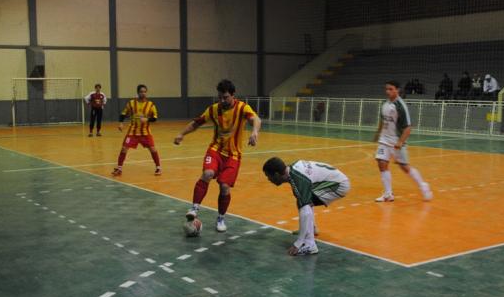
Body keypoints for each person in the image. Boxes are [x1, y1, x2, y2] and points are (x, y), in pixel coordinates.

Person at [175, 79, 261, 232]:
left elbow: (256, 119)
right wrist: (182, 134)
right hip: (215, 150)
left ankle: (221, 218)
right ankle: (194, 208)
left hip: (233, 155)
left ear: (233, 95)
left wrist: (254, 132)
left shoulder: (242, 107)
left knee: (224, 186)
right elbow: (196, 123)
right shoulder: (214, 109)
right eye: (220, 97)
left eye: (225, 97)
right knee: (207, 173)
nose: (222, 100)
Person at [263, 157, 350, 256]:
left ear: (276, 174)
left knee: (305, 204)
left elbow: (305, 211)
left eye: (268, 176)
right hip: (337, 180)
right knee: (304, 200)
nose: (268, 180)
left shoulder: (298, 179)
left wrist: (298, 243)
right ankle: (312, 230)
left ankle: (310, 245)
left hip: (338, 184)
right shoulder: (293, 171)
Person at [373, 80, 432, 203]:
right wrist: (378, 133)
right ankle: (388, 194)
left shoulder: (401, 106)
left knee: (405, 167)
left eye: (391, 89)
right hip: (384, 139)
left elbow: (408, 127)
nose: (388, 91)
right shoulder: (384, 103)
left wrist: (400, 142)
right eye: (386, 89)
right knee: (381, 163)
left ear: (397, 90)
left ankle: (423, 186)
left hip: (396, 140)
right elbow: (382, 120)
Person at [112, 84, 161, 176]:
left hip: (145, 133)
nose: (143, 93)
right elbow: (123, 114)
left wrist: (147, 119)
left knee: (153, 149)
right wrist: (121, 123)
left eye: (145, 92)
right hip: (132, 132)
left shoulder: (151, 105)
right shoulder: (131, 103)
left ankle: (158, 168)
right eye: (141, 92)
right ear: (138, 92)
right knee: (123, 149)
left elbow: (155, 118)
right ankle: (119, 168)